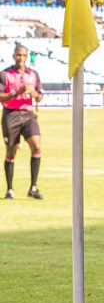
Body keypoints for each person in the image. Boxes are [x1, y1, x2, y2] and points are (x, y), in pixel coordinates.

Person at [0, 43, 43, 199]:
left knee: (36, 146)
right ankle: (9, 189)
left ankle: (33, 188)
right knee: (11, 151)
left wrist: (34, 94)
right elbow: (0, 96)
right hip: (10, 114)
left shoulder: (33, 74)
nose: (21, 58)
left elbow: (40, 96)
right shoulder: (5, 74)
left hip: (28, 114)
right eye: (19, 55)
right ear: (14, 56)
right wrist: (15, 93)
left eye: (24, 55)